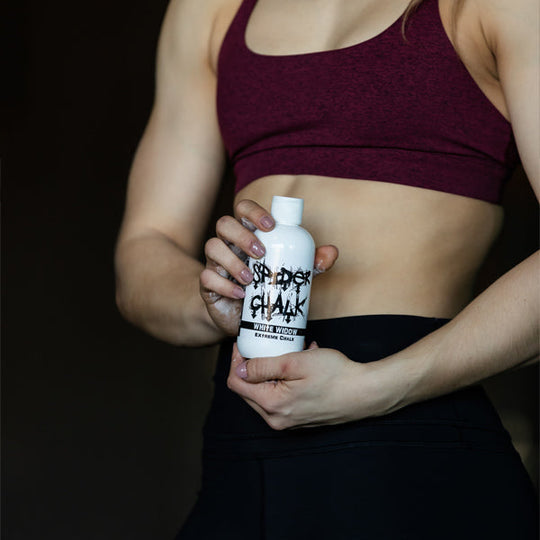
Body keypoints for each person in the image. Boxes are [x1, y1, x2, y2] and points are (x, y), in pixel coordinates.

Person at [114, 0, 539, 537]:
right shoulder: (210, 9)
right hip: (244, 430)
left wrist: (381, 386)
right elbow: (144, 248)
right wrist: (216, 301)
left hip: (410, 434)